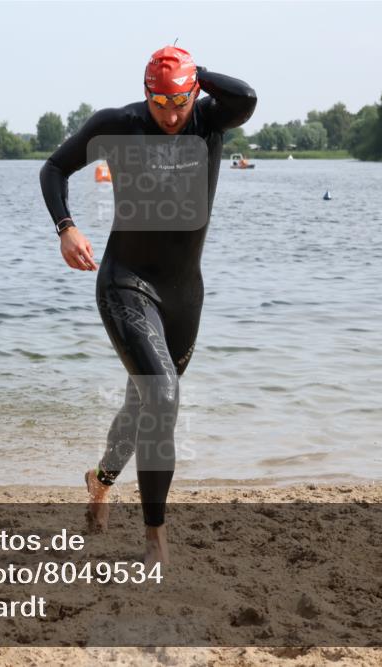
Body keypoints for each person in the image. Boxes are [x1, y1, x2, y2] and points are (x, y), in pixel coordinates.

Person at [40, 46, 256, 565]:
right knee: (160, 398)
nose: (171, 114)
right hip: (125, 283)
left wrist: (194, 74)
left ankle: (100, 480)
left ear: (194, 93)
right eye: (161, 102)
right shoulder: (119, 125)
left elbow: (247, 96)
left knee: (143, 404)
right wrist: (65, 228)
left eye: (179, 101)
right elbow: (54, 168)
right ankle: (155, 536)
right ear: (146, 94)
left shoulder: (209, 120)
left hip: (184, 294)